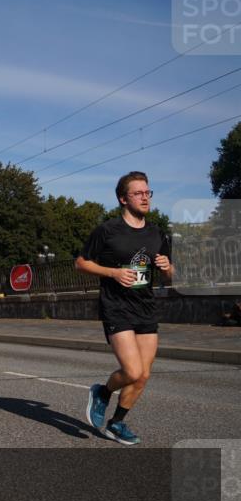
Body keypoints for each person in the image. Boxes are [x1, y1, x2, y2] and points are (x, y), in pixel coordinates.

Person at [77, 171, 173, 445]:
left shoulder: (157, 233)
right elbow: (81, 263)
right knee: (131, 371)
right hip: (116, 307)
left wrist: (168, 268)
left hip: (145, 308)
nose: (145, 197)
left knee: (143, 375)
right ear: (123, 199)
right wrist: (114, 273)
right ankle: (103, 392)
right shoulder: (107, 231)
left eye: (148, 192)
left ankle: (117, 423)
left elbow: (170, 275)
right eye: (138, 193)